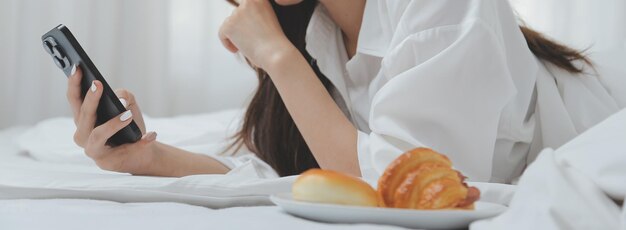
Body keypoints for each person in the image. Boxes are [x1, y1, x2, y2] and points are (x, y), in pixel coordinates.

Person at [66, 0, 624, 184]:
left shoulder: (444, 7)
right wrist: (148, 156)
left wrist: (279, 59)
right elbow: (303, 181)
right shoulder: (317, 31)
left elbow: (397, 185)